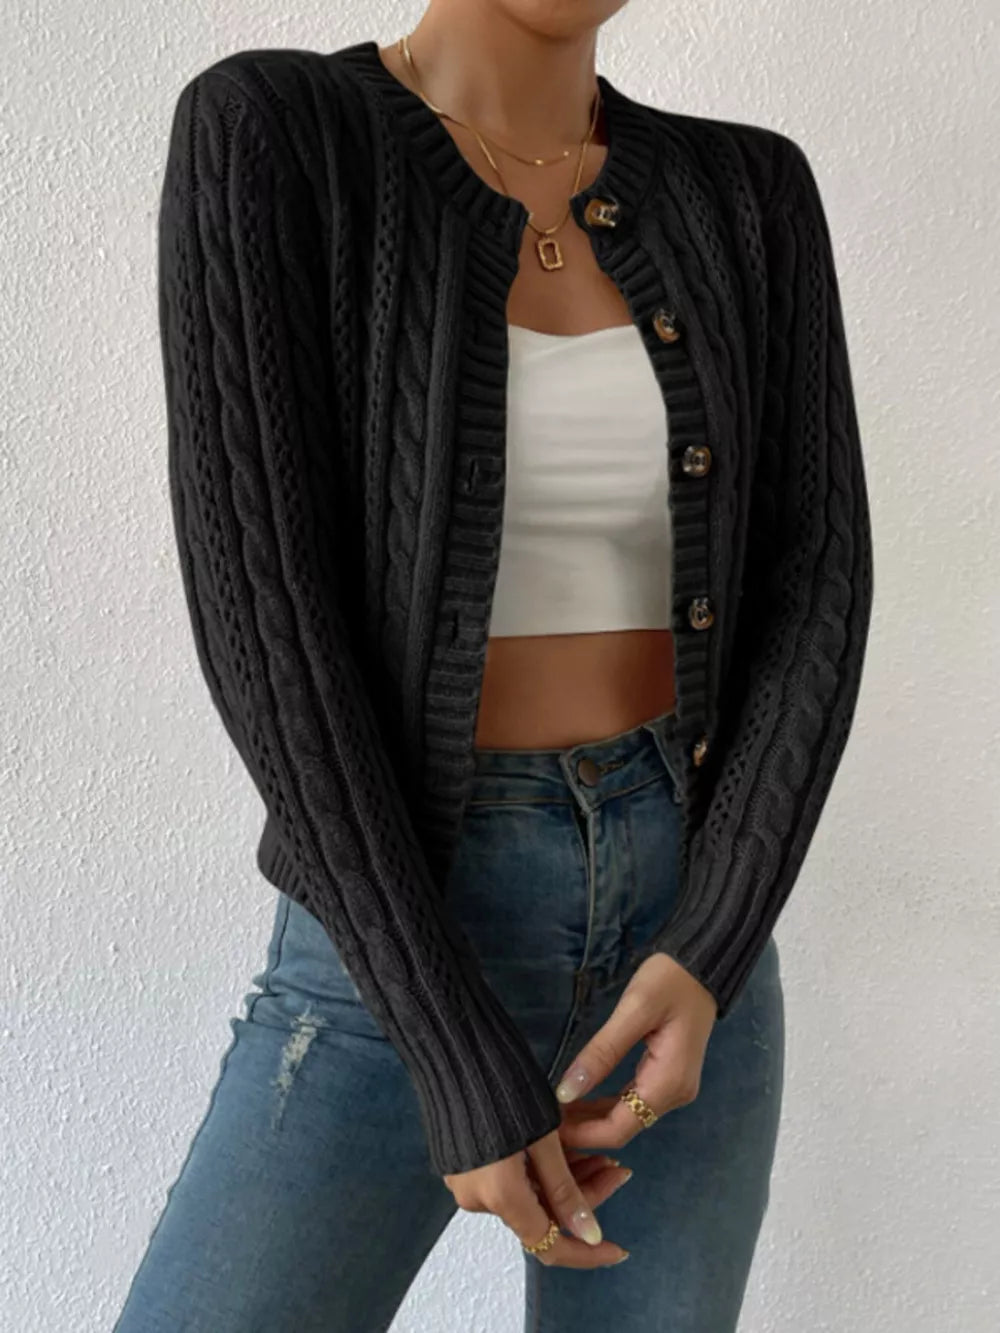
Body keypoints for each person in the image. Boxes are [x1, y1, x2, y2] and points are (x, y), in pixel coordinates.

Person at [115, 2, 873, 1329]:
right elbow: (267, 610)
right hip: (395, 928)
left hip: (688, 947)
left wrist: (713, 943)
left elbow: (819, 577)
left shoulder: (751, 189)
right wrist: (446, 1039)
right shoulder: (278, 132)